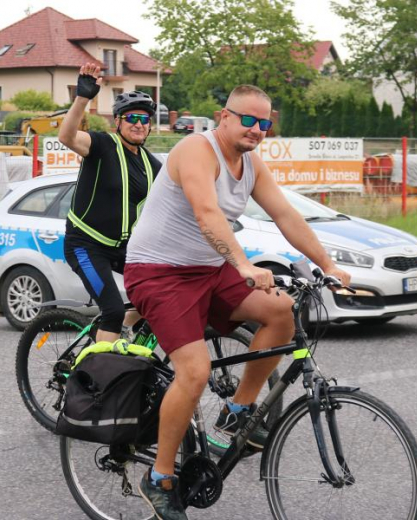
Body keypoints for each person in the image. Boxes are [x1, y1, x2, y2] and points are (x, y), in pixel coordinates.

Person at [124, 85, 352, 519]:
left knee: (282, 310)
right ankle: (159, 477)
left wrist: (327, 264)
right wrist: (244, 264)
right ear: (222, 116)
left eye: (265, 123)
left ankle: (237, 412)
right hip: (159, 272)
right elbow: (206, 212)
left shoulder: (250, 163)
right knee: (194, 371)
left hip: (209, 271)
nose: (256, 129)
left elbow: (285, 215)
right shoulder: (196, 149)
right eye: (247, 119)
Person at [59, 63, 162, 342]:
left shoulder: (152, 165)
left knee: (159, 293)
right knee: (113, 310)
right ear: (118, 121)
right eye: (131, 118)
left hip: (124, 248)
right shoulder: (102, 146)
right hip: (86, 246)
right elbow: (66, 137)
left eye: (144, 119)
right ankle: (103, 378)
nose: (139, 124)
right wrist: (83, 97)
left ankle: (123, 334)